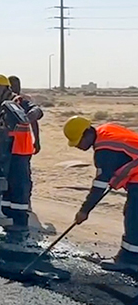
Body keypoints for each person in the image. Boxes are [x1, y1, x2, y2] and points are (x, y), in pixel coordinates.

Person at [65, 116, 138, 272]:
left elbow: (100, 185)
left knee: (134, 216)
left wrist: (84, 210)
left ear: (87, 134)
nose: (77, 146)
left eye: (78, 142)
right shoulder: (106, 130)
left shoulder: (104, 152)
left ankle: (129, 260)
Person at [0, 74, 43, 237]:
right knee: (7, 188)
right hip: (6, 153)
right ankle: (8, 219)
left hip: (19, 151)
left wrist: (27, 117)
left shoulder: (17, 102)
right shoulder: (0, 108)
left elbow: (36, 111)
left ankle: (19, 222)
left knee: (19, 187)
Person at [8, 75, 42, 155]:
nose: (16, 88)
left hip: (22, 145)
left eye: (17, 86)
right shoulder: (2, 102)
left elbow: (34, 121)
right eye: (13, 86)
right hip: (6, 144)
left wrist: (37, 140)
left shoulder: (23, 101)